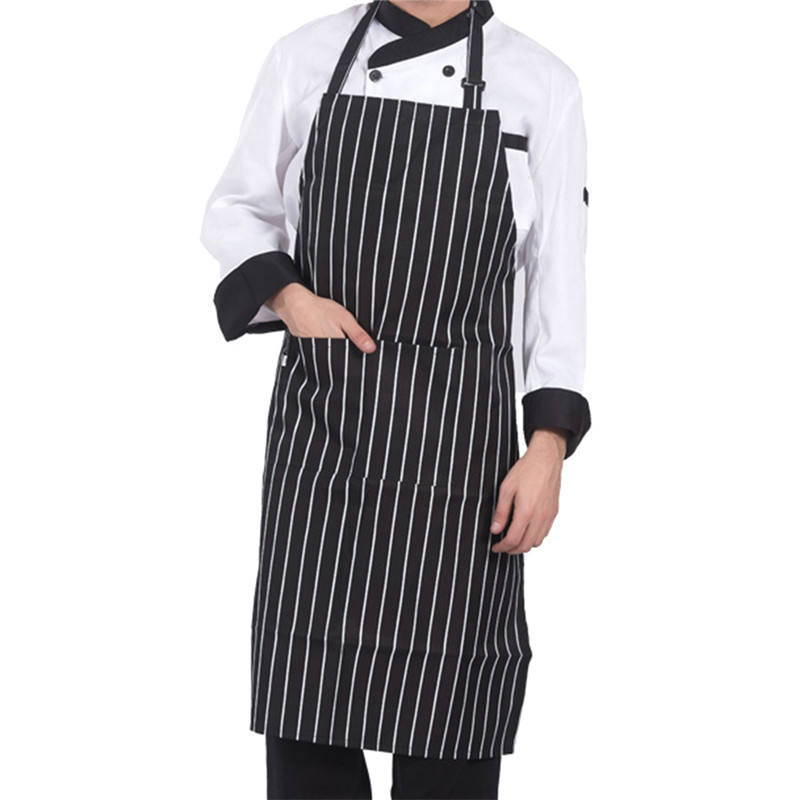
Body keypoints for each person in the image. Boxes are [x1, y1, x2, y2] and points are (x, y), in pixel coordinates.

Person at [201, 1, 591, 797]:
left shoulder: (542, 83)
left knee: (453, 723)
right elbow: (238, 207)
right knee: (308, 721)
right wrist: (293, 300)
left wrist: (548, 446)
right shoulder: (306, 55)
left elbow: (559, 274)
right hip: (326, 430)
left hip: (461, 447)